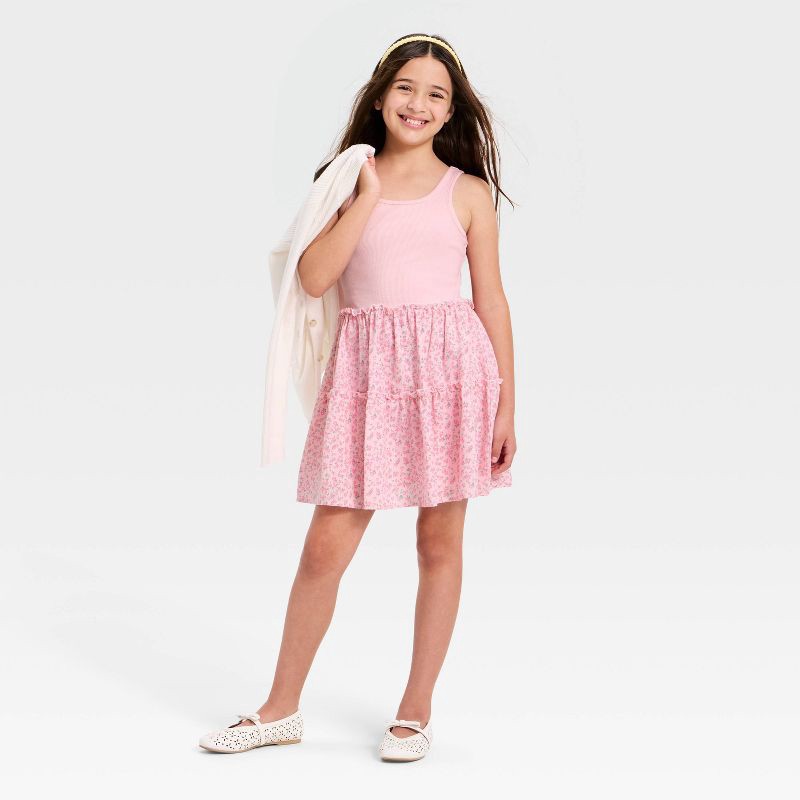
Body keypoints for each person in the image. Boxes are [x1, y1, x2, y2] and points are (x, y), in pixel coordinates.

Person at [199, 32, 516, 762]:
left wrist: (506, 403)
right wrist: (367, 198)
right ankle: (280, 708)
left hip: (450, 374)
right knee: (325, 546)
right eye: (406, 87)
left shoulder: (467, 193)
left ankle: (415, 711)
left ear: (451, 112)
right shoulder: (347, 181)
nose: (419, 103)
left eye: (436, 94)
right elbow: (312, 278)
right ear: (380, 97)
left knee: (439, 542)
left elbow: (492, 300)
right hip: (367, 378)